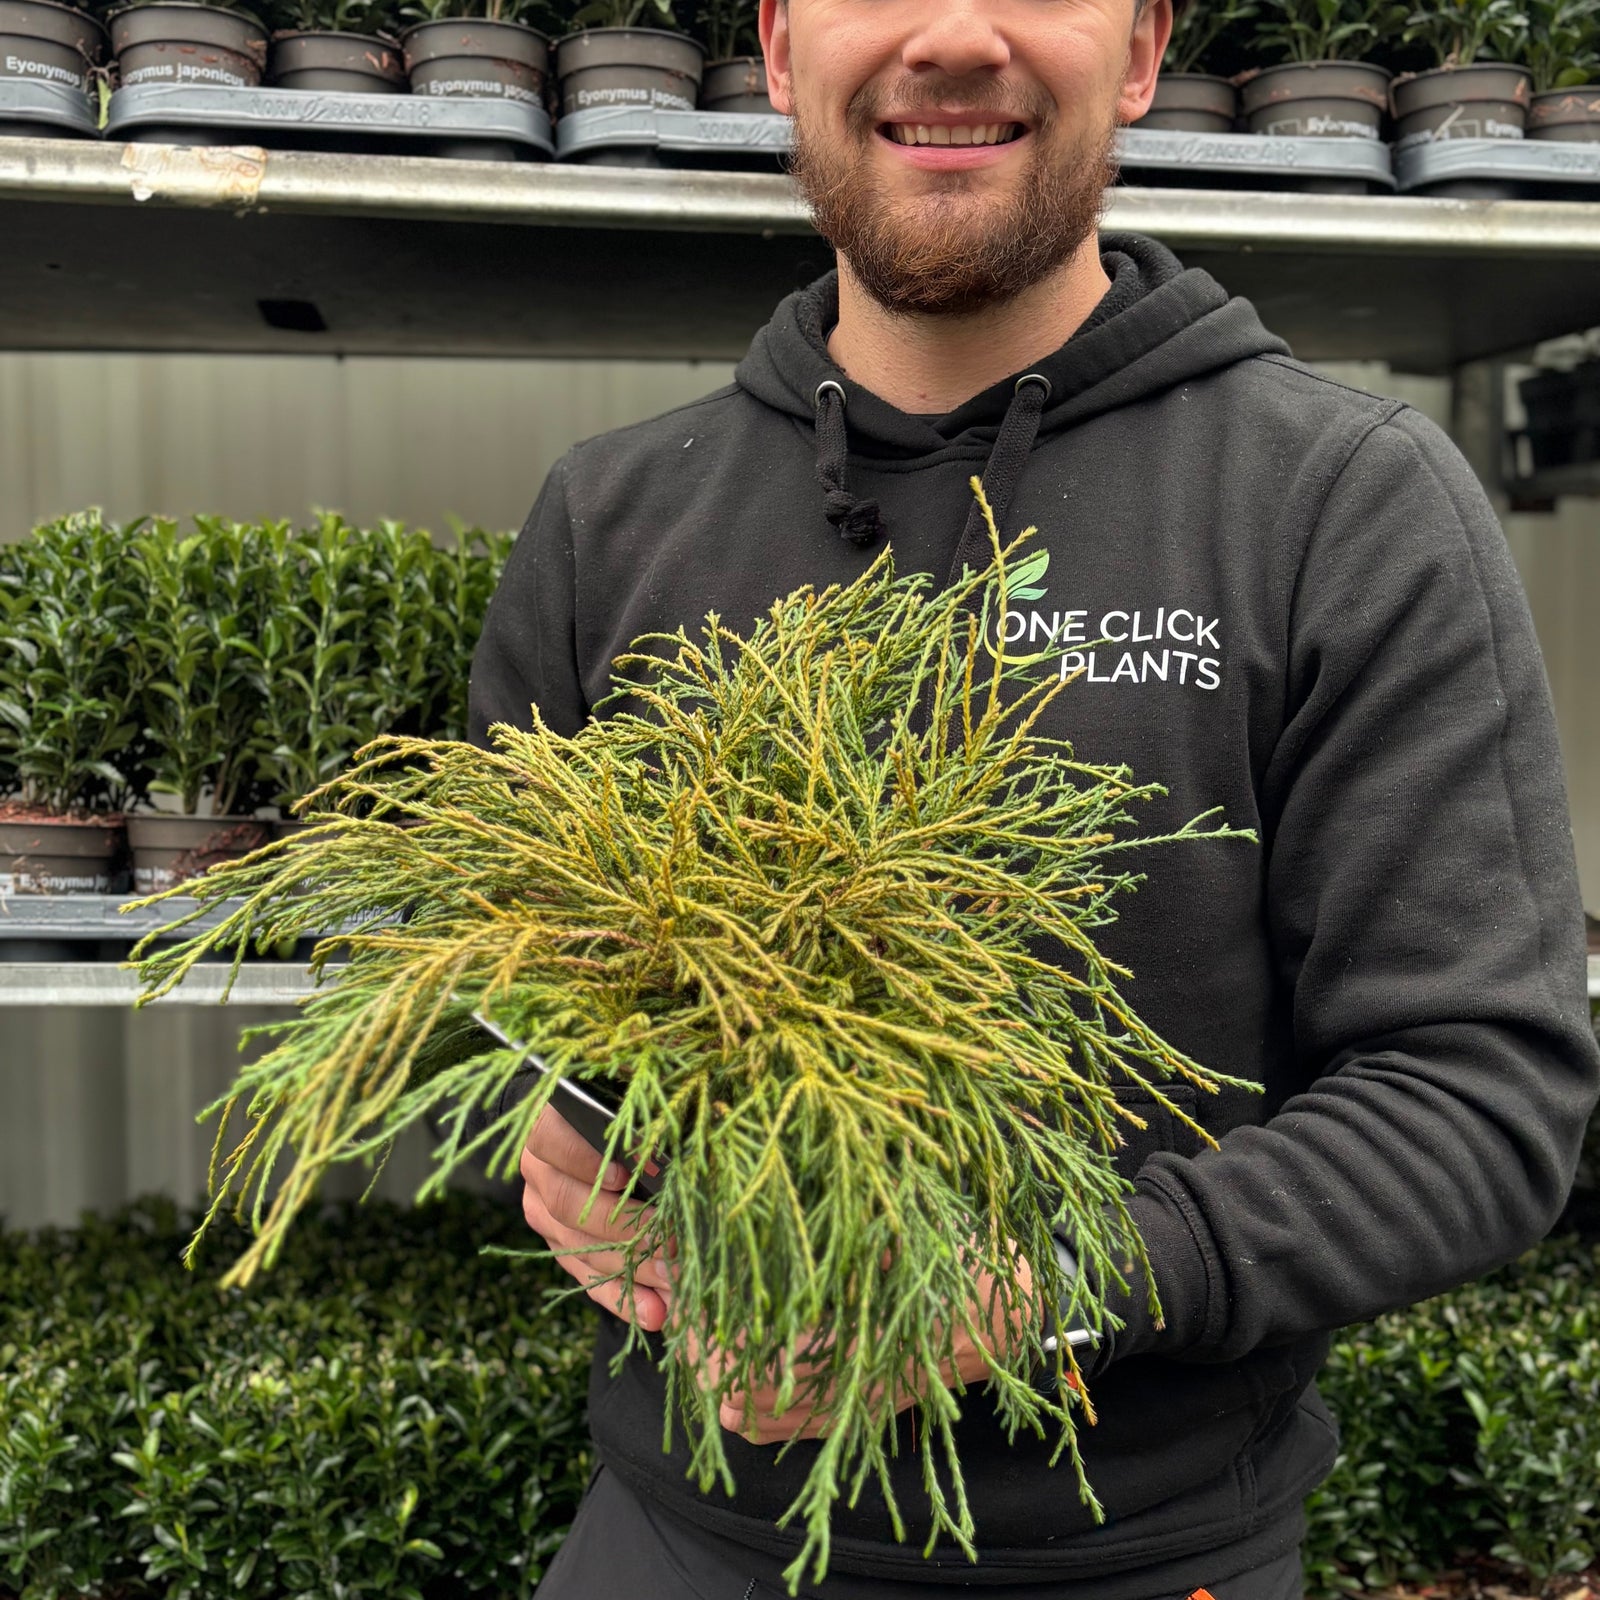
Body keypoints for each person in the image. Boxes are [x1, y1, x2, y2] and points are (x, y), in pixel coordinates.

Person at [465, 0, 1600, 1594]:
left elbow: (1483, 1096)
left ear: (1140, 52)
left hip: (1137, 1557)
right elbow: (501, 1006)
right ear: (782, 45)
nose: (950, 35)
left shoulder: (1339, 503)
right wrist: (560, 1136)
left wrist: (1045, 1280)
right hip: (673, 1538)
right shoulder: (612, 518)